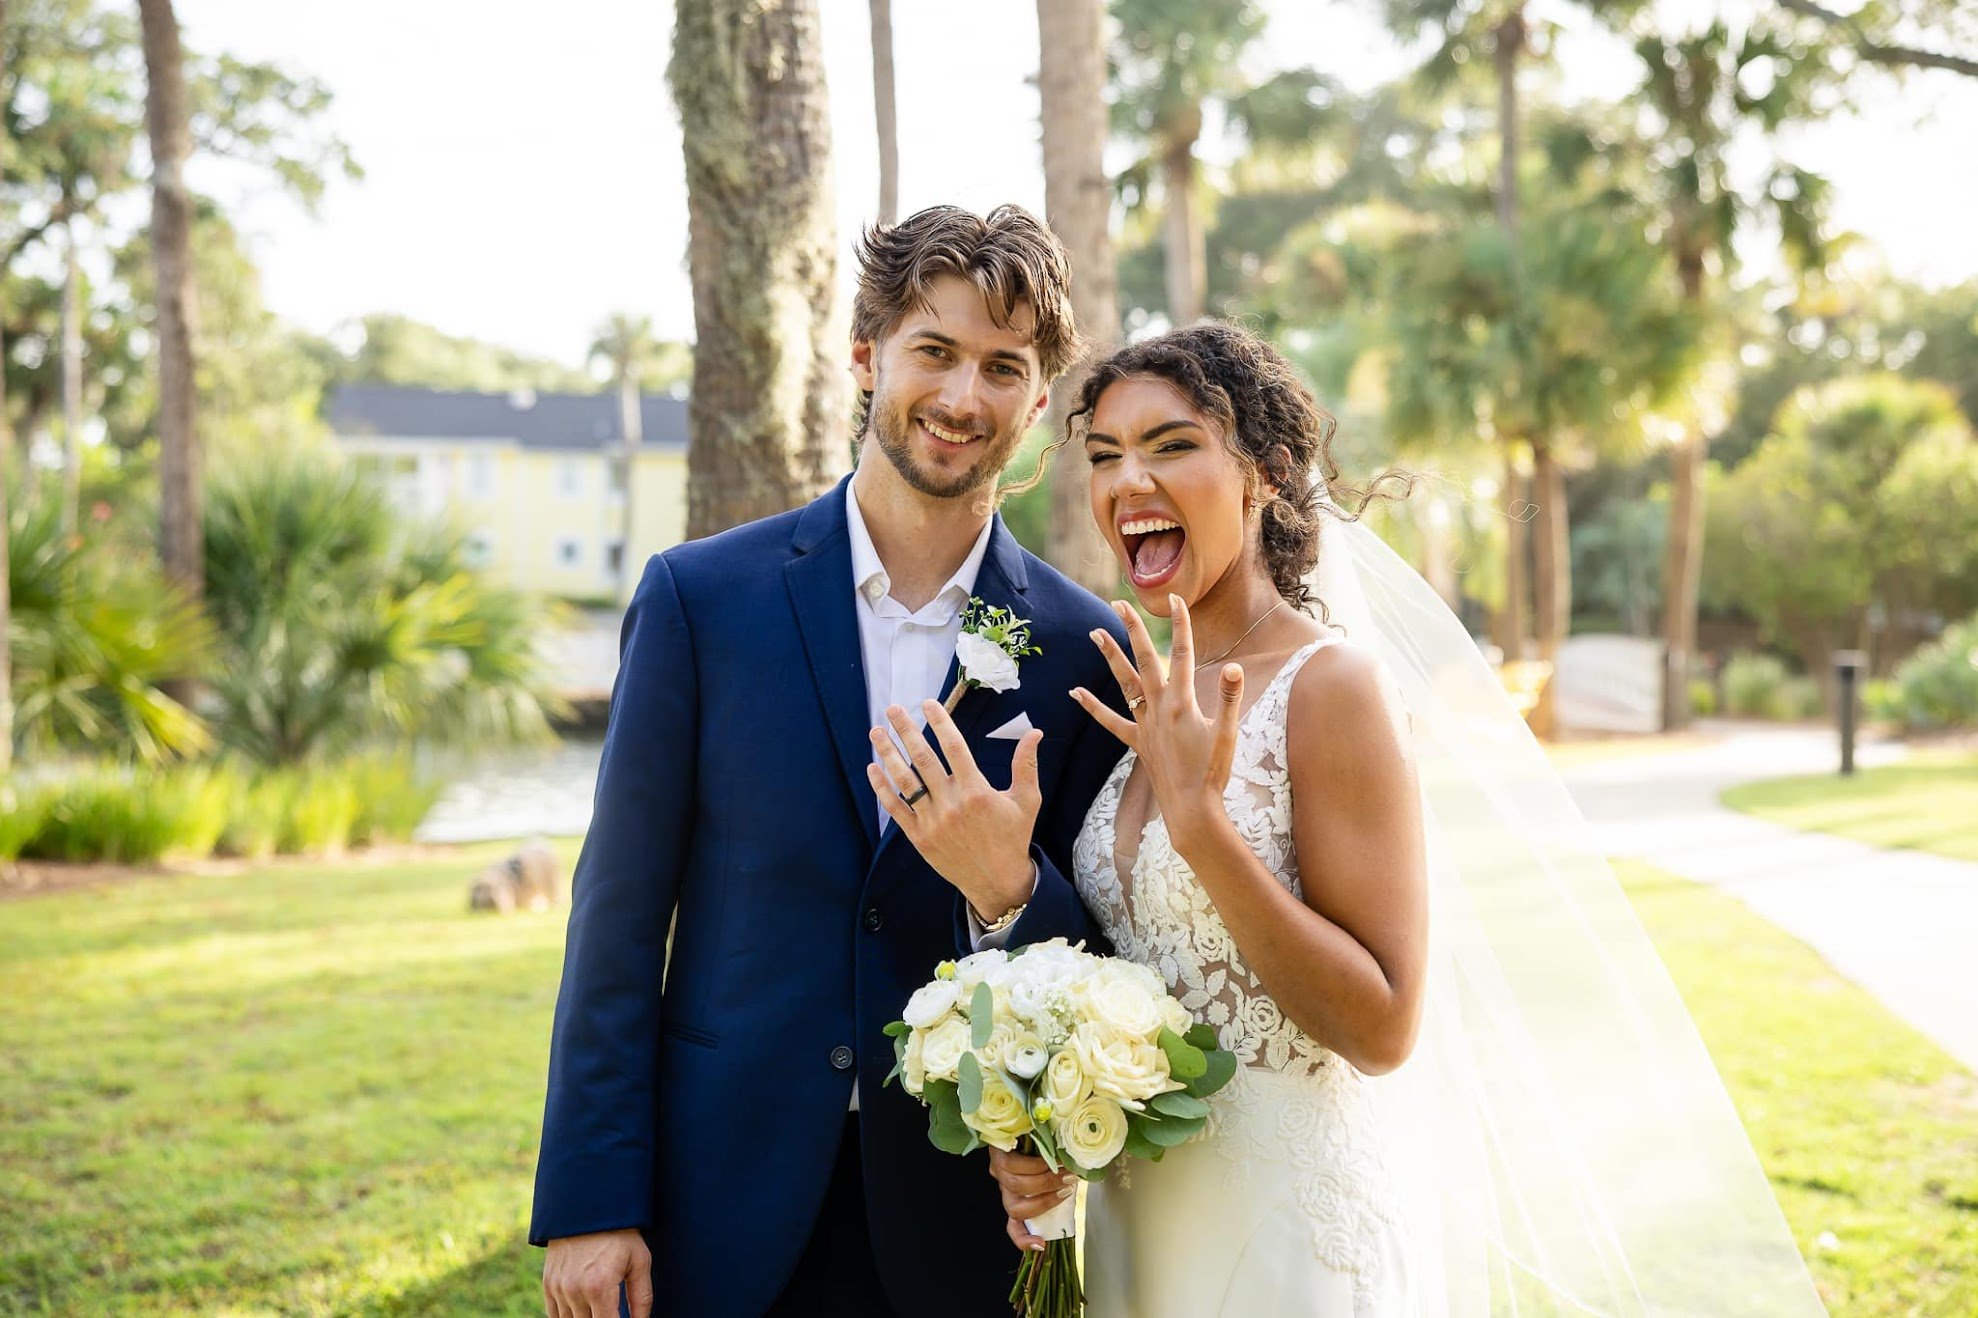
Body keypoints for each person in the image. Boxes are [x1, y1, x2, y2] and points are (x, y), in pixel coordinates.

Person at [989, 322, 1826, 1315]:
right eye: (1104, 455)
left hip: (1280, 1241)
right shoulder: (1127, 689)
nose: (1128, 481)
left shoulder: (1328, 685)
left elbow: (1383, 1025)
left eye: (1170, 445)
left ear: (1266, 473)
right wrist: (1047, 1122)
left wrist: (1204, 830)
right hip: (1138, 1235)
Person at [532, 204, 1129, 1318]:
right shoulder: (697, 600)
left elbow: (1104, 956)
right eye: (934, 351)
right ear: (866, 356)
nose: (961, 398)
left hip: (962, 1221)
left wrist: (1010, 889)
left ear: (1037, 403)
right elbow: (615, 919)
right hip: (720, 1195)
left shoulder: (1080, 647)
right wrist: (590, 1195)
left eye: (1002, 368)